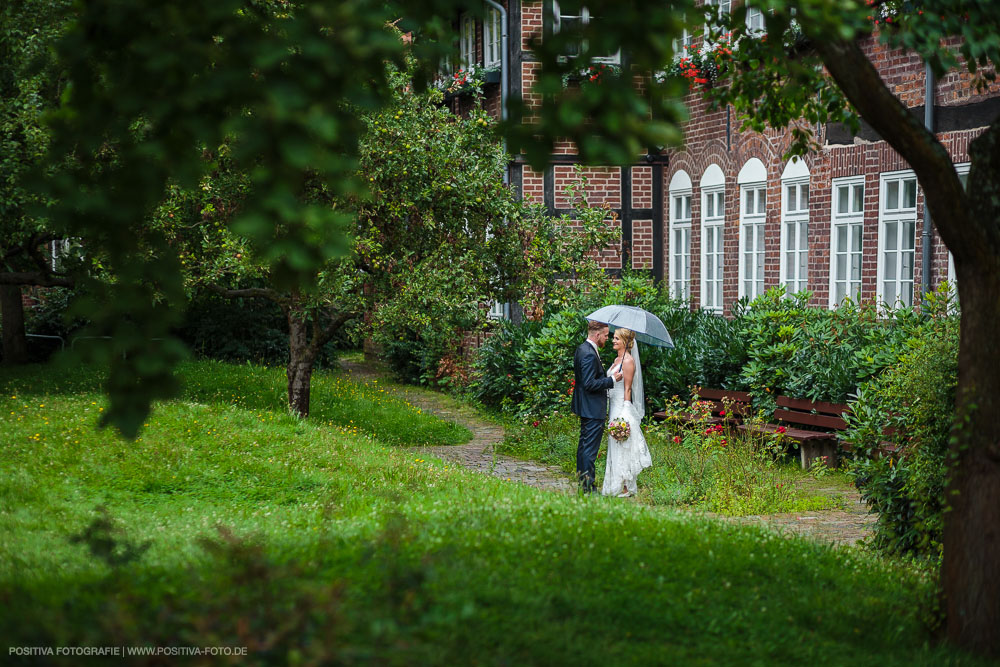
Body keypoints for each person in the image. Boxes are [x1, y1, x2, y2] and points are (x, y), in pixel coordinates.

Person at [571, 320, 621, 493]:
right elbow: (589, 383)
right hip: (592, 408)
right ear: (597, 334)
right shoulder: (589, 353)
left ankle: (583, 483)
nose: (607, 339)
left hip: (586, 406)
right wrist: (613, 380)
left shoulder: (582, 349)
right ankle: (588, 488)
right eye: (606, 335)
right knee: (589, 450)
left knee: (584, 446)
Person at [601, 327, 652, 497]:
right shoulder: (617, 359)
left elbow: (628, 389)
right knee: (613, 444)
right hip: (612, 405)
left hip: (620, 406)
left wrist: (624, 412)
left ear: (625, 341)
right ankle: (615, 482)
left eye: (616, 338)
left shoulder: (628, 361)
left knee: (621, 444)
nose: (613, 341)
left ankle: (624, 486)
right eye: (613, 338)